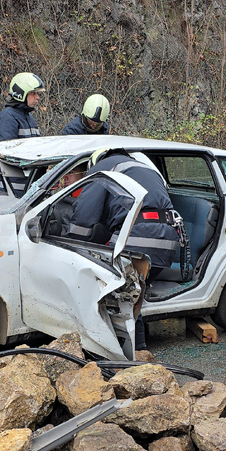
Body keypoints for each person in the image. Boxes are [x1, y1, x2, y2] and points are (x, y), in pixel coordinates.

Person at [67, 148, 181, 352]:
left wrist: (71, 244)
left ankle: (131, 355)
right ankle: (139, 348)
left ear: (95, 161)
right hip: (168, 242)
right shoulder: (146, 169)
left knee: (122, 299)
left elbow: (84, 215)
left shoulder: (102, 169)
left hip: (137, 239)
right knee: (135, 292)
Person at [0, 72, 45, 196]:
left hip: (29, 186)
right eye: (33, 93)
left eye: (37, 93)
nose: (37, 97)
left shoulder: (29, 118)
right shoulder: (8, 118)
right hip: (14, 189)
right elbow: (7, 155)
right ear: (21, 93)